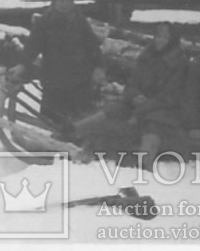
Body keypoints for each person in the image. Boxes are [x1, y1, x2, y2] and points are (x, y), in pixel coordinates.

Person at [71, 22, 190, 170]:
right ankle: (74, 131)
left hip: (165, 109)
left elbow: (170, 96)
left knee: (153, 122)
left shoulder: (180, 64)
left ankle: (145, 163)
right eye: (158, 36)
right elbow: (132, 84)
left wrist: (142, 107)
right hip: (140, 104)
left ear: (173, 40)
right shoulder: (146, 57)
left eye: (165, 37)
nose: (160, 40)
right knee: (114, 109)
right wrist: (135, 96)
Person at [8, 0, 105, 126]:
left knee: (81, 117)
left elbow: (93, 47)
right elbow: (33, 45)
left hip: (79, 76)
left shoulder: (79, 21)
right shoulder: (45, 21)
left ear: (72, 3)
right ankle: (52, 141)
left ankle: (80, 141)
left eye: (67, 1)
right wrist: (22, 65)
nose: (64, 4)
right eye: (60, 0)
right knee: (52, 119)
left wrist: (99, 67)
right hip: (54, 76)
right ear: (54, 2)